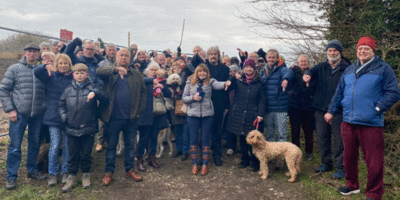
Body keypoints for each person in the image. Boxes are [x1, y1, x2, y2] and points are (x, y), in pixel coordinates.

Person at [325, 37, 400, 200]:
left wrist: (378, 108)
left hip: (371, 122)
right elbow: (339, 92)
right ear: (356, 50)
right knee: (349, 157)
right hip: (348, 121)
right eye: (360, 48)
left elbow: (394, 92)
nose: (362, 51)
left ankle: (374, 193)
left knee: (374, 161)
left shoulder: (382, 68)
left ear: (373, 51)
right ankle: (352, 185)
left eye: (366, 48)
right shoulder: (350, 69)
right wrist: (331, 110)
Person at [96, 48, 147, 186]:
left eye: (126, 56)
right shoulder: (109, 72)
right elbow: (98, 71)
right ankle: (109, 171)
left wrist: (139, 110)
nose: (123, 58)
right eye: (121, 55)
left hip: (131, 118)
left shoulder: (136, 74)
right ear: (116, 57)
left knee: (130, 145)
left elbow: (143, 93)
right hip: (113, 117)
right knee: (111, 145)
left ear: (130, 58)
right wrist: (115, 70)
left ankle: (129, 169)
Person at [0, 43, 46, 190]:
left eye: (35, 51)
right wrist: (10, 109)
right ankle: (11, 176)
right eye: (29, 51)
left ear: (39, 53)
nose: (32, 54)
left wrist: (44, 106)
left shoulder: (43, 70)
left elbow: (49, 91)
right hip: (19, 114)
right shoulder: (15, 69)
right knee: (15, 146)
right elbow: (4, 90)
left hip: (37, 114)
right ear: (25, 53)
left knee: (34, 144)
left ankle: (32, 170)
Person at [303, 39, 350, 179]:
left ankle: (341, 167)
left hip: (339, 110)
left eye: (335, 50)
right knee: (322, 137)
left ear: (340, 52)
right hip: (320, 108)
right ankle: (326, 163)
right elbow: (309, 70)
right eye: (330, 50)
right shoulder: (321, 66)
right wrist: (307, 74)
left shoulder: (347, 68)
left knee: (339, 139)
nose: (332, 52)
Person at [58, 63, 108, 192]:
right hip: (71, 128)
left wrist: (95, 93)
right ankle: (72, 177)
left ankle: (86, 174)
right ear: (73, 75)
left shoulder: (93, 87)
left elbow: (105, 97)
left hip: (88, 127)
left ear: (87, 75)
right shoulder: (68, 90)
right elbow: (61, 105)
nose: (79, 75)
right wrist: (65, 118)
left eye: (82, 73)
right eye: (77, 73)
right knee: (72, 155)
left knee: (86, 154)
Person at [34, 53, 74, 186]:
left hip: (69, 117)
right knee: (55, 145)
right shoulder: (51, 76)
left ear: (69, 65)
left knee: (67, 146)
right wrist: (45, 65)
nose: (63, 66)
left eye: (66, 63)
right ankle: (53, 173)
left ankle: (65, 171)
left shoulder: (73, 78)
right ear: (57, 65)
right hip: (53, 116)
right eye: (61, 63)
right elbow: (37, 72)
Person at [182, 64, 227, 175]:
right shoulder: (189, 82)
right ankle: (194, 163)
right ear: (196, 72)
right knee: (193, 140)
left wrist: (226, 83)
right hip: (193, 114)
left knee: (205, 139)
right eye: (200, 71)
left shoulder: (210, 81)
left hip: (207, 114)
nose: (202, 73)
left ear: (207, 73)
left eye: (204, 71)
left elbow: (218, 85)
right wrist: (193, 98)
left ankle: (205, 164)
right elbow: (184, 98)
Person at [225, 59, 266, 171]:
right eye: (246, 67)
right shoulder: (239, 81)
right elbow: (228, 86)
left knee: (253, 140)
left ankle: (254, 161)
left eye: (250, 67)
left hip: (252, 114)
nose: (248, 69)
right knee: (242, 137)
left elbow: (262, 99)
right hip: (239, 112)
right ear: (243, 68)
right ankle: (244, 159)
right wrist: (233, 77)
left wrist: (260, 114)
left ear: (254, 68)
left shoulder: (259, 82)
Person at [191, 46, 230, 166]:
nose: (213, 56)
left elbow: (226, 88)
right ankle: (202, 156)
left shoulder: (225, 68)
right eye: (211, 54)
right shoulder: (203, 66)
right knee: (203, 132)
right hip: (203, 103)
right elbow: (193, 64)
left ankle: (217, 155)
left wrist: (227, 105)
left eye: (215, 54)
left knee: (217, 131)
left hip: (218, 102)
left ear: (218, 55)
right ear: (208, 55)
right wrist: (198, 54)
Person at [136, 63, 171, 171]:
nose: (154, 71)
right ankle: (140, 159)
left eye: (156, 70)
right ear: (147, 71)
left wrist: (162, 87)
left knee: (154, 138)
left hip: (156, 115)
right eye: (152, 69)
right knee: (143, 138)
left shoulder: (161, 82)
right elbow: (139, 81)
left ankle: (152, 157)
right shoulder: (143, 80)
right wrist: (151, 81)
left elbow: (169, 94)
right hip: (145, 115)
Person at [282, 55, 315, 160]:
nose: (303, 63)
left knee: (308, 132)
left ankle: (309, 153)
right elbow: (287, 76)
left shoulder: (312, 73)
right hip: (294, 107)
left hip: (308, 108)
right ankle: (295, 152)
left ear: (308, 63)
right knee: (295, 132)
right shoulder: (293, 71)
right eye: (301, 61)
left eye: (305, 61)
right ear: (298, 62)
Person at [260, 49, 290, 142]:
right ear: (266, 58)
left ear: (277, 58)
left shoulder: (282, 68)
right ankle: (272, 155)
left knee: (281, 134)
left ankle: (282, 155)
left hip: (280, 108)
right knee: (270, 134)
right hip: (268, 108)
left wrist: (285, 79)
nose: (271, 59)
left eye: (273, 57)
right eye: (269, 57)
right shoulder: (264, 70)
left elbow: (289, 73)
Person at [95, 43, 118, 152]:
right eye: (110, 50)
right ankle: (99, 141)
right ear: (106, 51)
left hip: (117, 94)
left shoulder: (119, 63)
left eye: (113, 50)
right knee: (102, 120)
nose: (112, 52)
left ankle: (112, 141)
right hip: (104, 93)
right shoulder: (101, 63)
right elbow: (99, 78)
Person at [168, 61, 190, 161]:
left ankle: (185, 151)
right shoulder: (169, 83)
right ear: (172, 70)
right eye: (175, 69)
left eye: (178, 69)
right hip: (174, 109)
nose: (177, 70)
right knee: (177, 131)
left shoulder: (184, 81)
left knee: (185, 132)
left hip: (184, 107)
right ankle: (178, 149)